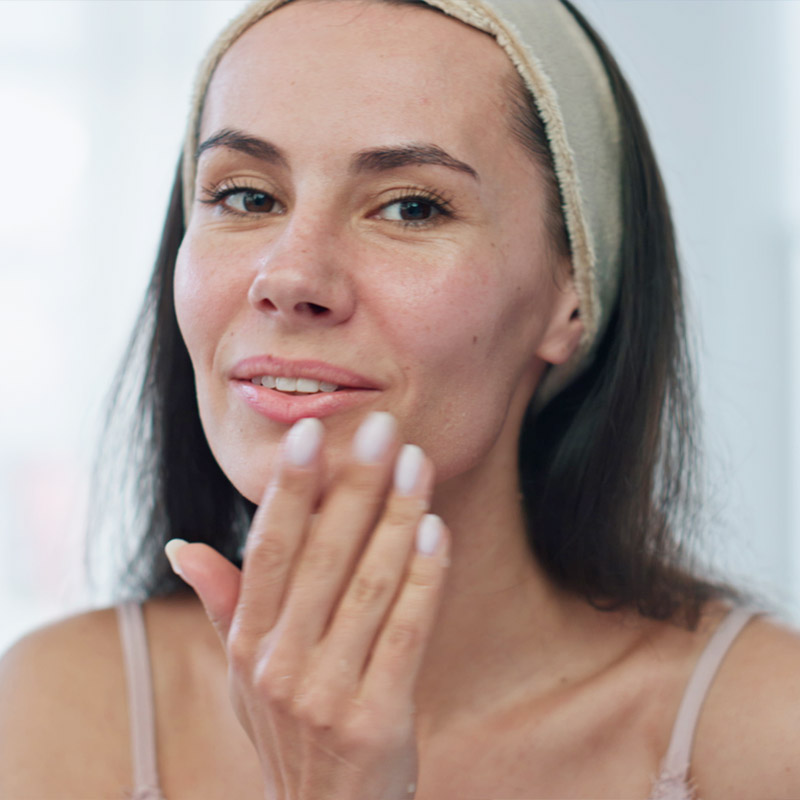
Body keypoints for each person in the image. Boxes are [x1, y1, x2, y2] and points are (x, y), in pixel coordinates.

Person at [1, 0, 799, 798]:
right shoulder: (56, 710)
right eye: (247, 197)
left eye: (411, 207)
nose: (290, 277)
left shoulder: (766, 734)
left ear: (572, 294)